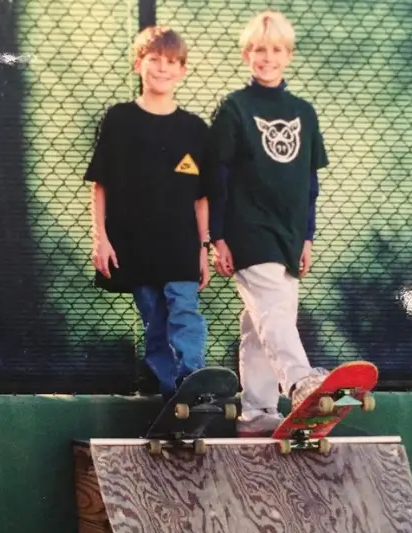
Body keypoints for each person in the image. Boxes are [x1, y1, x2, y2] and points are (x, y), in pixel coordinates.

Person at [209, 10, 330, 436]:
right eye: (259, 50)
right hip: (248, 229)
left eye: (275, 50)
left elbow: (309, 181)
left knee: (261, 321)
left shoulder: (303, 111)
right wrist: (217, 236)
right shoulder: (235, 107)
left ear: (288, 55)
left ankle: (257, 412)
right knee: (274, 314)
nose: (267, 57)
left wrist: (308, 236)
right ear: (247, 54)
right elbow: (218, 177)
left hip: (289, 233)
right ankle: (300, 382)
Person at [84, 26, 213, 402]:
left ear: (183, 70)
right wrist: (101, 238)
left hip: (181, 245)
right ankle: (172, 398)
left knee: (185, 309)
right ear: (138, 64)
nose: (162, 69)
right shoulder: (120, 119)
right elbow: (100, 184)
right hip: (134, 244)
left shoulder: (194, 128)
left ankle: (196, 384)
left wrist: (203, 246)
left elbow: (201, 197)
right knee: (155, 321)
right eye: (154, 60)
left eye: (171, 62)